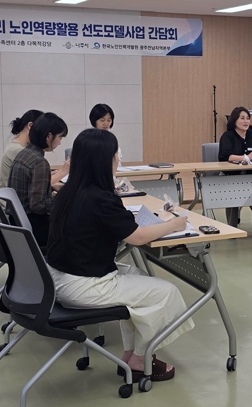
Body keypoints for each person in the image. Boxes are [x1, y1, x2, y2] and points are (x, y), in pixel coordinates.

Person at [47, 128, 194, 382]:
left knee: (138, 276)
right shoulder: (100, 198)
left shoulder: (68, 192)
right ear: (106, 160)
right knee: (166, 292)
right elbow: (137, 237)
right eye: (116, 155)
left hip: (58, 279)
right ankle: (140, 359)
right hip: (83, 285)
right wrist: (173, 224)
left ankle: (130, 354)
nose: (118, 160)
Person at [8, 112, 68, 246]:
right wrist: (63, 199)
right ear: (49, 136)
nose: (60, 142)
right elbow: (38, 205)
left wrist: (49, 188)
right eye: (60, 137)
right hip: (35, 229)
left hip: (18, 224)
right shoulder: (39, 162)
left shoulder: (23, 154)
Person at [218, 107, 252, 237]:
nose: (246, 121)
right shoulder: (227, 136)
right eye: (242, 118)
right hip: (231, 176)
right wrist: (247, 157)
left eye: (247, 118)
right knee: (233, 194)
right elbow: (226, 156)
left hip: (249, 176)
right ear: (234, 120)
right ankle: (232, 227)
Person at [0, 110, 44, 189]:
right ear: (30, 125)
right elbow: (39, 184)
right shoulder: (18, 150)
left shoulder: (15, 143)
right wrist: (63, 171)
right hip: (12, 196)